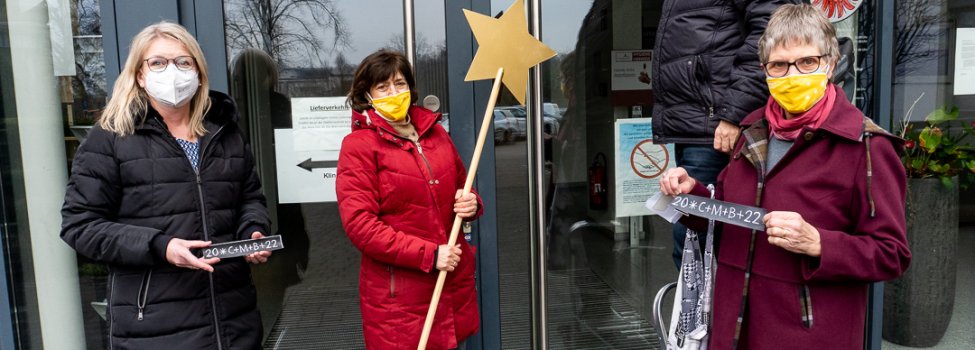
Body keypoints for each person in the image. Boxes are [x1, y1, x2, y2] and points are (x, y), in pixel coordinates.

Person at [659, 4, 911, 349]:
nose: (792, 74)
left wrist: (820, 243)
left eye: (807, 62)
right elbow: (731, 222)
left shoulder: (866, 146)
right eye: (779, 65)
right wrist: (693, 197)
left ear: (831, 63)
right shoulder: (750, 131)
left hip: (807, 336)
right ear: (764, 71)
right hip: (733, 330)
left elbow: (891, 253)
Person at [60, 22, 272, 349]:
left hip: (233, 321)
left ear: (199, 73)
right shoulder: (111, 138)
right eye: (158, 62)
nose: (172, 71)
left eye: (183, 62)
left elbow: (248, 198)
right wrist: (161, 246)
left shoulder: (224, 132)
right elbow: (80, 226)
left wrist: (252, 230)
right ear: (140, 75)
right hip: (154, 327)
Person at [336, 50, 482, 350]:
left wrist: (471, 205)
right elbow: (360, 226)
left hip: (450, 287)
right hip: (400, 299)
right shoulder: (359, 146)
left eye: (400, 83)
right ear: (367, 94)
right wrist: (429, 255)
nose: (394, 92)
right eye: (383, 86)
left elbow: (462, 187)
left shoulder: (435, 133)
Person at [650, 0, 800, 267]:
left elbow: (773, 30)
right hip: (697, 125)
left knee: (697, 249)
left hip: (717, 126)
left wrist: (733, 113)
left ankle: (715, 310)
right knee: (692, 245)